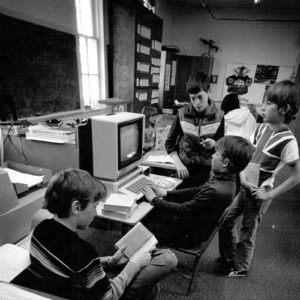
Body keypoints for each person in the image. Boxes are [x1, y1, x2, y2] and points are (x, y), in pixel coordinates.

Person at [25, 168, 177, 300]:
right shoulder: (83, 251)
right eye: (95, 206)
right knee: (164, 263)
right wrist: (134, 265)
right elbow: (108, 296)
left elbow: (72, 266)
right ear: (77, 207)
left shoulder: (41, 228)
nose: (96, 212)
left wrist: (109, 261)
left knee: (151, 284)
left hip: (58, 291)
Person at [217, 80, 300, 277]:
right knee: (226, 221)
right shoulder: (262, 128)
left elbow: (297, 175)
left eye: (268, 103)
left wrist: (269, 194)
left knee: (247, 232)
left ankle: (239, 269)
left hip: (259, 194)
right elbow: (249, 157)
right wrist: (243, 177)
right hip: (246, 187)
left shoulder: (288, 140)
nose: (262, 107)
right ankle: (229, 258)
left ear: (284, 109)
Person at [141, 136, 254, 249]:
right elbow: (197, 190)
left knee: (142, 222)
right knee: (155, 211)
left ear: (225, 163)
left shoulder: (215, 190)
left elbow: (184, 209)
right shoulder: (227, 179)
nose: (213, 156)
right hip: (194, 228)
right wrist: (166, 193)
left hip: (187, 236)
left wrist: (153, 199)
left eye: (216, 154)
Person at [165, 71, 222, 187]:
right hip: (184, 171)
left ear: (209, 91)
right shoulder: (181, 114)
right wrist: (178, 163)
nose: (197, 103)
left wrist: (214, 144)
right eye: (193, 98)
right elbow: (169, 144)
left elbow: (224, 146)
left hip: (207, 174)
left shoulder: (220, 116)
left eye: (200, 97)